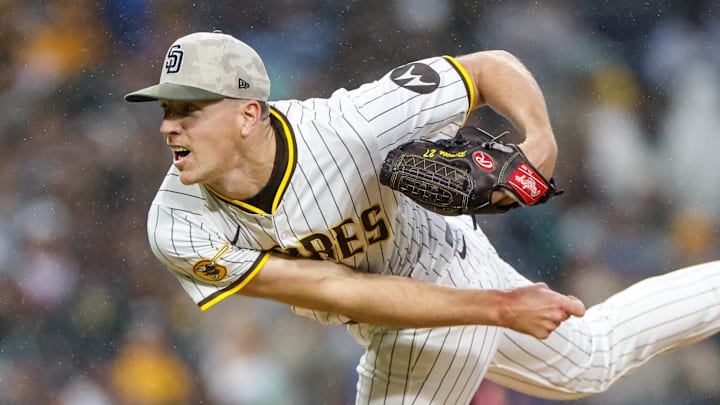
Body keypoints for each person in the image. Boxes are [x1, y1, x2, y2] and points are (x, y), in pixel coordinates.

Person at [125, 30, 720, 404]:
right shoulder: (177, 225)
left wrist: (540, 141)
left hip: (446, 271)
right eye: (165, 110)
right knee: (587, 363)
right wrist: (502, 309)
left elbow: (489, 67)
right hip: (405, 305)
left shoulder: (352, 124)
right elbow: (339, 289)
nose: (169, 125)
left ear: (248, 114)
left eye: (189, 109)